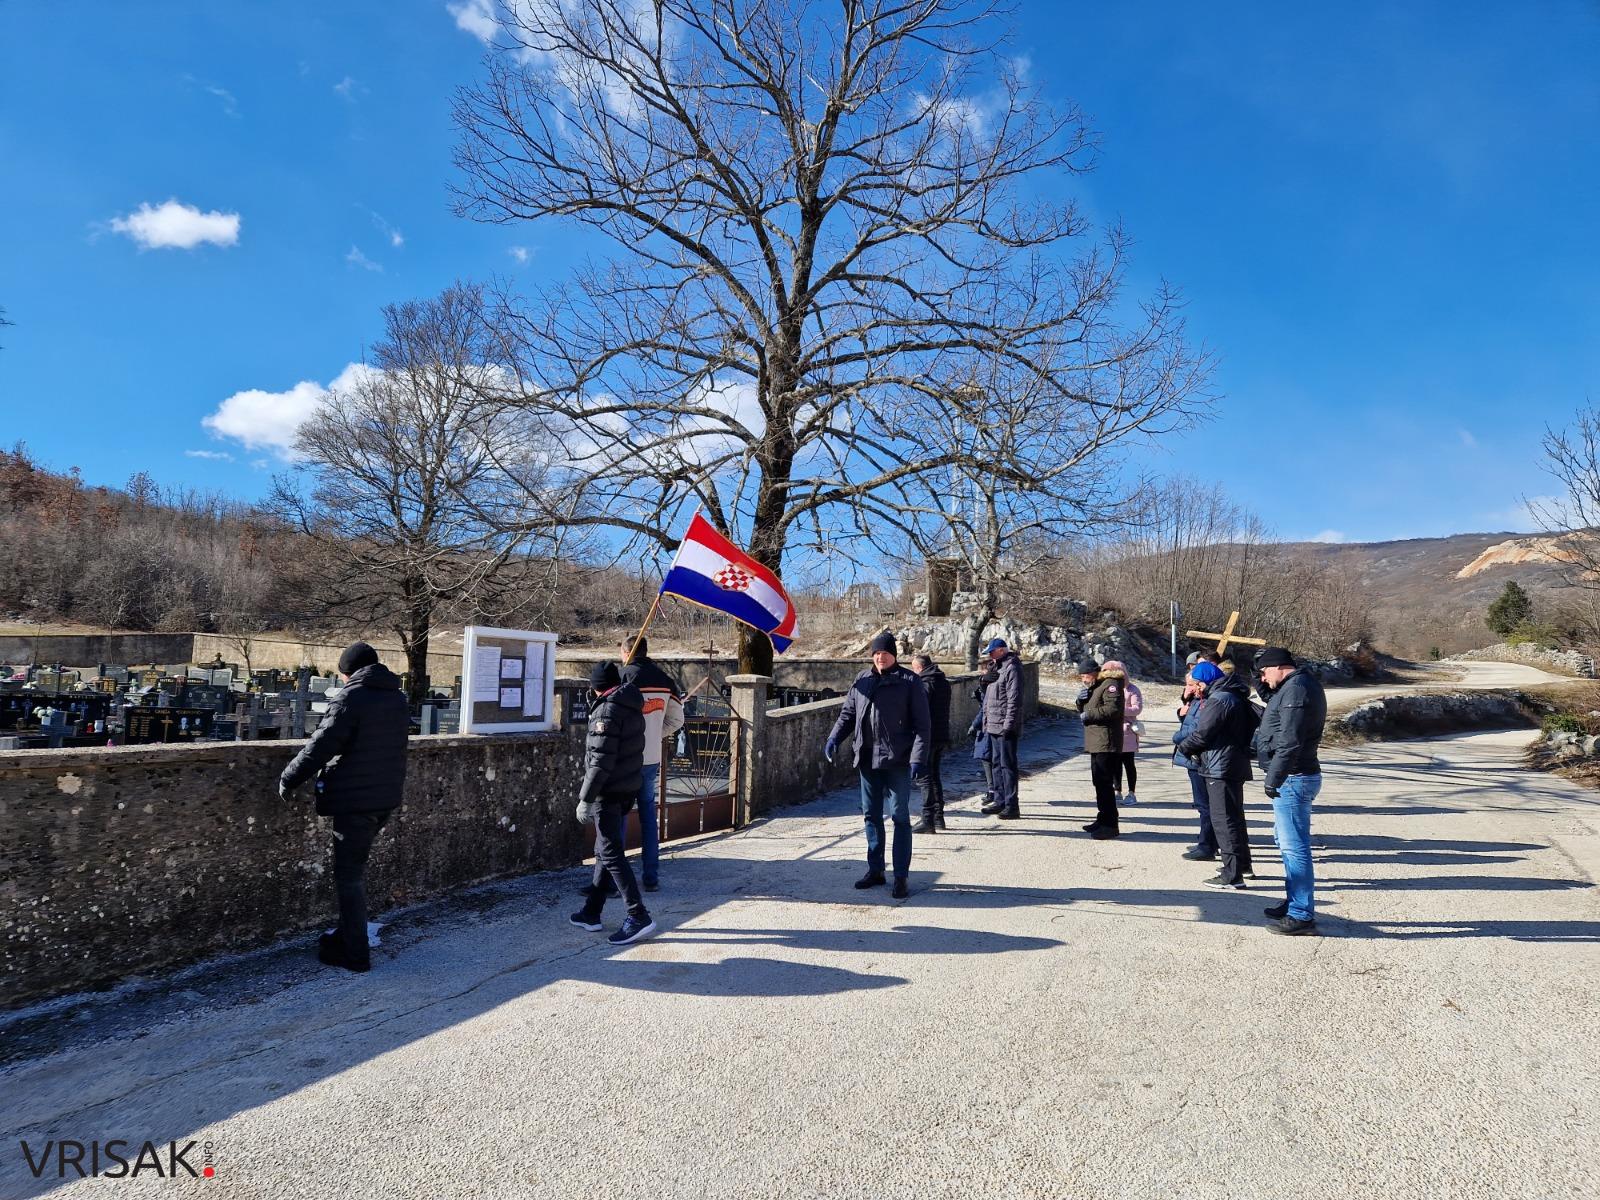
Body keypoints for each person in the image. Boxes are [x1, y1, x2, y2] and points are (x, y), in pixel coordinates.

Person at [279, 641, 410, 973]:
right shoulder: (396, 697)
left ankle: (355, 954)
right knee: (354, 871)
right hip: (384, 798)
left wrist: (289, 777)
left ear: (348, 672)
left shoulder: (352, 697)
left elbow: (322, 745)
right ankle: (346, 936)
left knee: (349, 877)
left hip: (355, 802)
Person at [825, 632, 931, 898]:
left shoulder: (910, 681)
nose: (880, 657)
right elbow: (848, 714)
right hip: (867, 758)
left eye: (884, 653)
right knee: (871, 816)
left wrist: (917, 758)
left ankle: (901, 876)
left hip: (898, 760)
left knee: (900, 817)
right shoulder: (862, 679)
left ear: (893, 654)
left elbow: (923, 725)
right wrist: (834, 738)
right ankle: (875, 870)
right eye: (875, 653)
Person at [569, 662, 658, 945]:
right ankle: (592, 911)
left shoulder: (607, 710)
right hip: (626, 786)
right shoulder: (630, 704)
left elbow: (600, 761)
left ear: (596, 686)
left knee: (610, 852)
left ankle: (637, 914)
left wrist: (585, 798)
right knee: (604, 850)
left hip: (608, 791)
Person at [1254, 647, 1328, 935]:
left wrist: (1274, 778)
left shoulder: (1296, 690)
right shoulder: (1295, 685)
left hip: (1294, 778)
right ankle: (1295, 901)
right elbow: (1269, 698)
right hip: (1294, 776)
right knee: (1286, 843)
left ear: (1278, 666)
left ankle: (1301, 914)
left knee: (1294, 847)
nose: (1262, 677)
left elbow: (1290, 741)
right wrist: (1256, 671)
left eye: (1264, 672)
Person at [1175, 660, 1260, 890]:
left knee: (1224, 821)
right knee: (1234, 818)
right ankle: (1242, 865)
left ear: (1204, 682)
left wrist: (1184, 747)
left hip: (1220, 766)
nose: (1195, 689)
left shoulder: (1219, 699)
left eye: (1196, 684)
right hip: (1232, 763)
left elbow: (1203, 734)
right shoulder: (1232, 694)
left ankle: (1232, 875)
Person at [618, 635, 685, 891]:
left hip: (626, 758)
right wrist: (656, 734)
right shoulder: (665, 680)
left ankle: (615, 879)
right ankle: (651, 877)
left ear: (627, 652)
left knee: (618, 817)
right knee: (648, 816)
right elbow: (677, 720)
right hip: (651, 757)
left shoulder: (622, 678)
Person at [1172, 667, 1219, 862]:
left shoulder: (1206, 702)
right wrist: (1184, 705)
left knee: (1205, 805)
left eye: (1192, 684)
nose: (1190, 688)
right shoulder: (1196, 700)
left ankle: (1207, 845)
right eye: (1187, 685)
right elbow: (1188, 721)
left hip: (1199, 758)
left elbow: (1195, 729)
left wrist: (1177, 738)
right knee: (1203, 804)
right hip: (1194, 757)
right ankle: (1206, 841)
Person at [1076, 658, 1125, 838]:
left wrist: (1089, 714)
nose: (1083, 679)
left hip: (1106, 742)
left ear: (1094, 673)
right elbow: (1087, 707)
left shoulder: (1111, 685)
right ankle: (1102, 818)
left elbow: (1113, 709)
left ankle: (1110, 825)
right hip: (1096, 741)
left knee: (1105, 783)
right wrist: (1080, 701)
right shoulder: (1096, 686)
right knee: (1099, 782)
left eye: (1085, 676)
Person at [980, 637, 1025, 820]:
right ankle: (999, 800)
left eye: (992, 652)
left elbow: (1014, 699)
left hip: (1005, 726)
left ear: (1001, 650)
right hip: (993, 724)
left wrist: (1009, 725)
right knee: (996, 764)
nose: (990, 655)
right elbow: (988, 698)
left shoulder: (1012, 668)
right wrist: (983, 681)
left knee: (1008, 766)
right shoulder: (996, 667)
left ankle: (1011, 804)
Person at [910, 652, 952, 833]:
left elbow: (920, 711)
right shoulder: (942, 681)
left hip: (928, 736)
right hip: (941, 734)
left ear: (919, 668)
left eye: (914, 669)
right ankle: (938, 817)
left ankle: (927, 819)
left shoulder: (925, 684)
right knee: (934, 776)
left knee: (925, 778)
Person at [1101, 659, 1144, 805]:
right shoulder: (1107, 689)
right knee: (1114, 764)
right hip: (1112, 732)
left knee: (1129, 764)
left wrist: (1118, 710)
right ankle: (1117, 791)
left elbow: (1137, 709)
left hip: (1128, 732)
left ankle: (1132, 793)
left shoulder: (1132, 689)